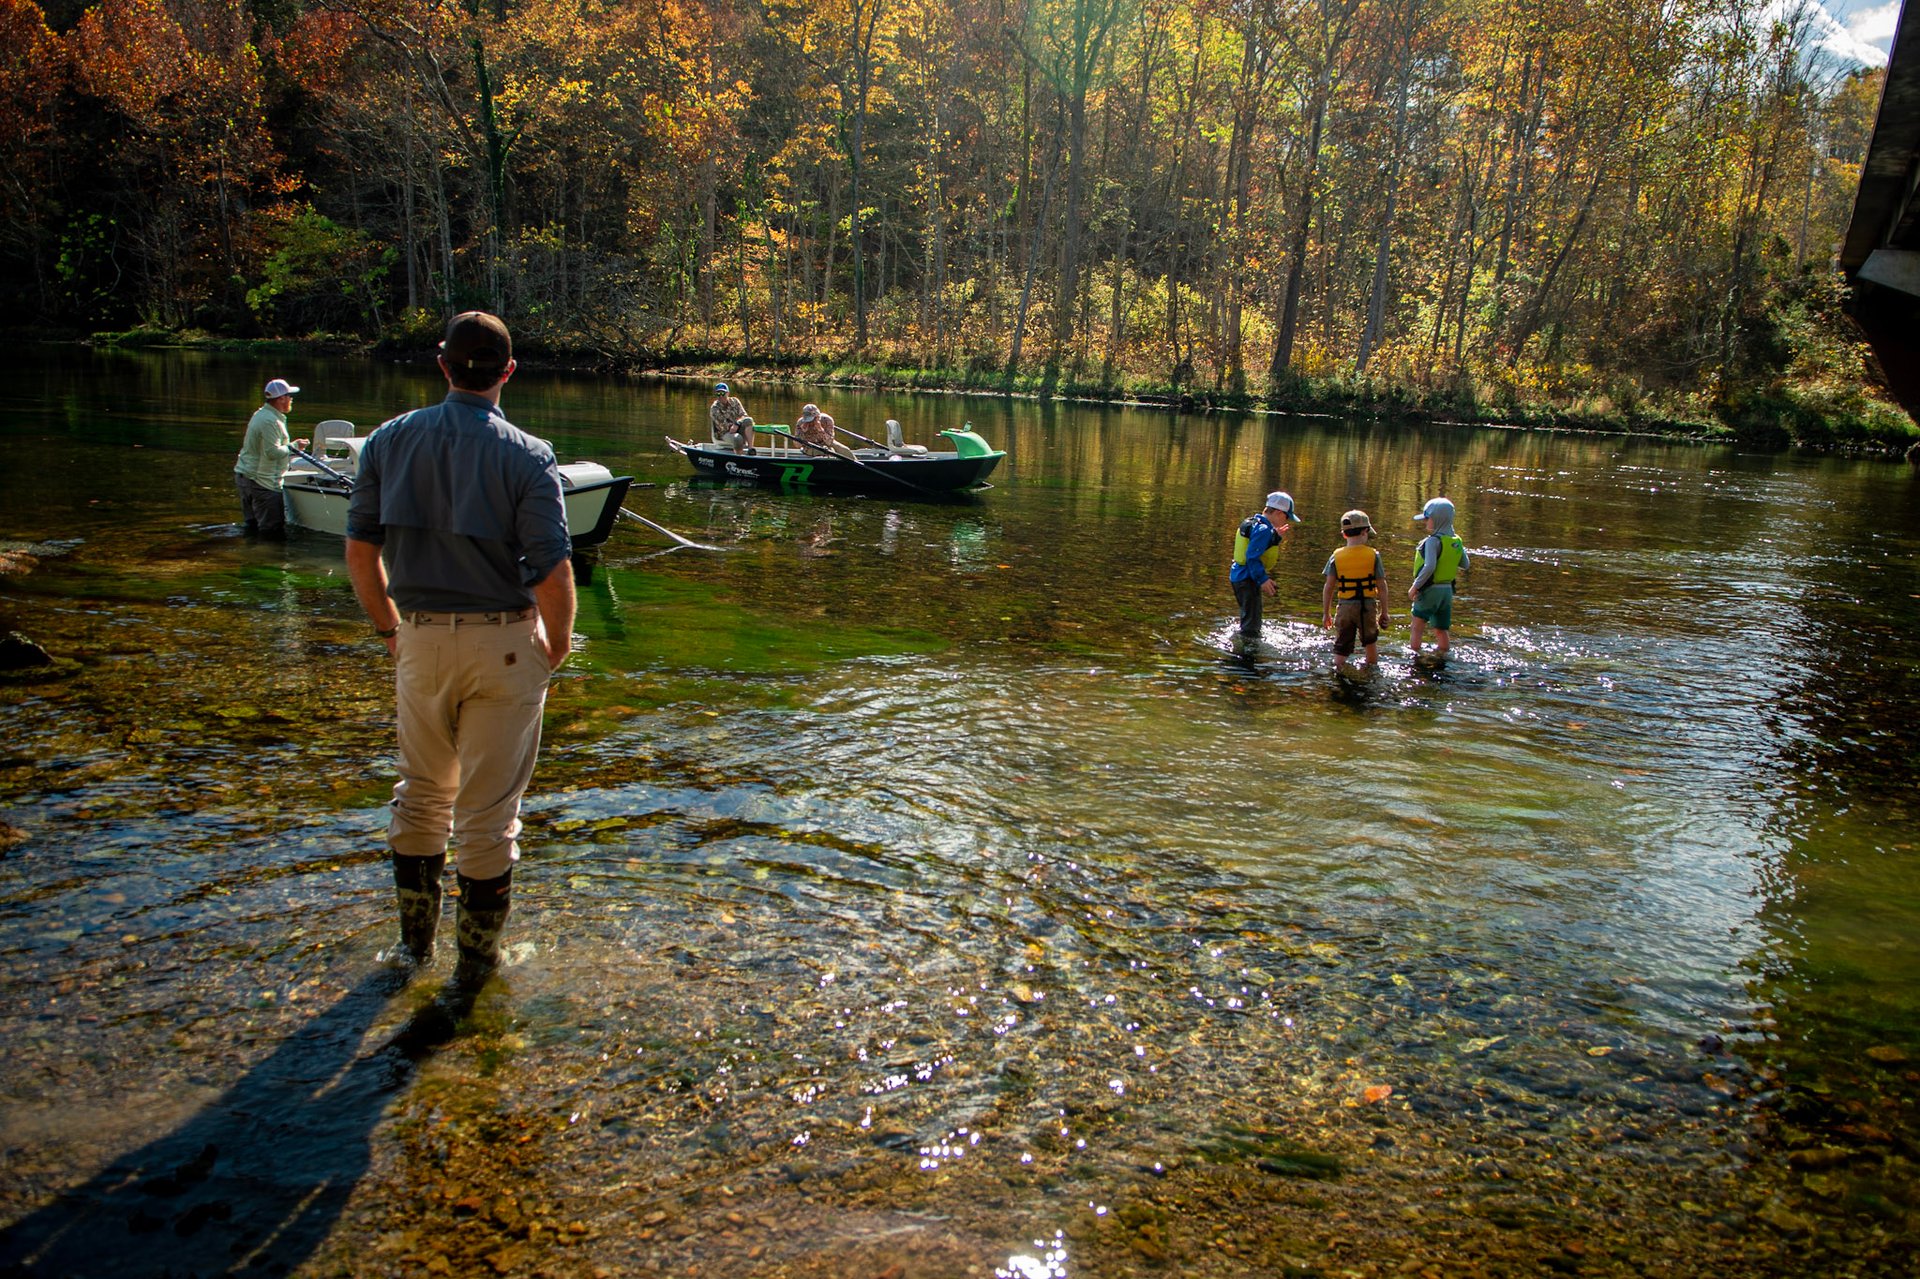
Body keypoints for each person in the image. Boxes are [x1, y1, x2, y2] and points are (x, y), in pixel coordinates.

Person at [344, 312, 576, 989]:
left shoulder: (387, 441)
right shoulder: (529, 455)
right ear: (509, 372)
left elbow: (360, 553)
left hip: (418, 639)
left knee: (421, 797)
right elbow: (552, 570)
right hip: (505, 643)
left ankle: (412, 952)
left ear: (443, 365)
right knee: (489, 815)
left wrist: (390, 630)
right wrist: (556, 647)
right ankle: (477, 969)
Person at [233, 378, 309, 538]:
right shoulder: (271, 421)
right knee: (272, 532)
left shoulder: (261, 414)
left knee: (252, 529)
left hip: (246, 478)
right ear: (281, 399)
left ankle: (250, 551)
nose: (291, 399)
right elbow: (272, 452)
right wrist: (294, 446)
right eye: (289, 396)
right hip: (263, 483)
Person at [1227, 491, 1302, 652]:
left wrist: (1274, 537)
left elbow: (1255, 545)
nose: (1286, 520)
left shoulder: (1254, 523)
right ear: (1278, 513)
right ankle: (1246, 656)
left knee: (1249, 616)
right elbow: (1252, 557)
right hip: (1248, 578)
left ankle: (1244, 646)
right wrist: (1263, 579)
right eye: (1286, 517)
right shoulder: (1263, 530)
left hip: (1239, 576)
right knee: (1252, 624)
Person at [1321, 509, 1390, 675]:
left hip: (1345, 607)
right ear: (1365, 531)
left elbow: (1328, 587)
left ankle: (1338, 672)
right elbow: (1382, 586)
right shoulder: (1374, 555)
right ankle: (1370, 674)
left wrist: (1326, 613)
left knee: (1342, 645)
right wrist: (1384, 612)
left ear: (1344, 534)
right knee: (1370, 642)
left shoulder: (1336, 556)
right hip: (1367, 606)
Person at [1408, 496, 1469, 662]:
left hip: (1430, 590)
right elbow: (1465, 564)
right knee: (1441, 629)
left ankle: (1414, 656)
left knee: (1417, 626)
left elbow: (1429, 567)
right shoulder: (1457, 541)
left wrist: (1415, 586)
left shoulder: (1432, 542)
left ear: (1436, 519)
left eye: (1427, 519)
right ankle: (1443, 656)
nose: (1425, 522)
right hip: (1447, 592)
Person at [709, 382, 755, 452]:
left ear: (727, 393)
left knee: (749, 420)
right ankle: (738, 455)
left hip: (737, 427)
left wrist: (737, 423)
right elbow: (723, 427)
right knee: (738, 438)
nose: (720, 396)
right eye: (718, 394)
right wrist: (735, 426)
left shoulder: (735, 401)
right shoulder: (714, 408)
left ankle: (750, 449)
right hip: (724, 434)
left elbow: (744, 415)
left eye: (722, 393)